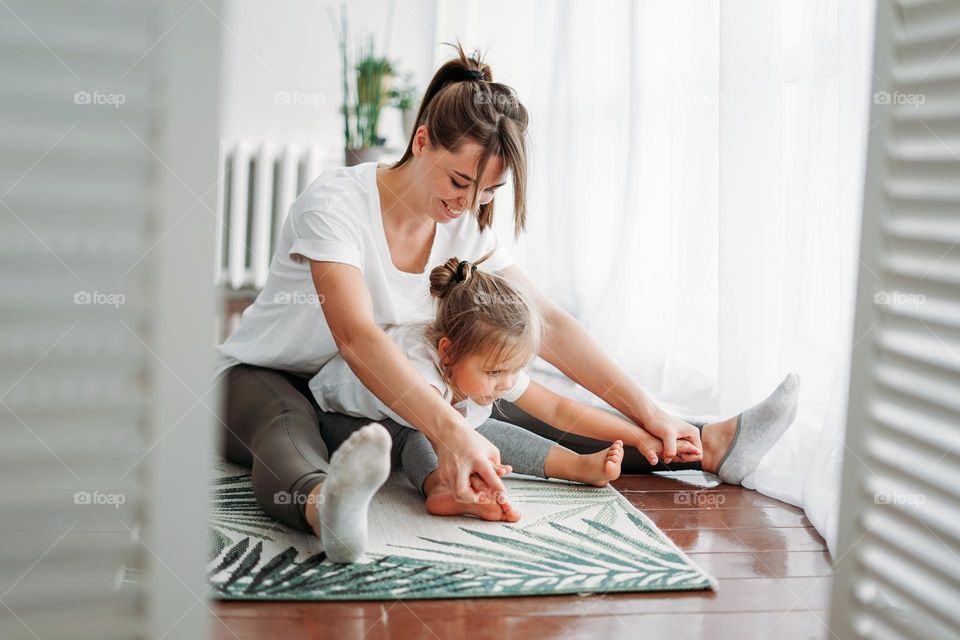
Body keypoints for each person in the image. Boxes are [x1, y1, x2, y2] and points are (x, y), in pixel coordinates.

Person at [217, 45, 799, 563]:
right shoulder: (336, 202)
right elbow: (356, 337)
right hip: (273, 376)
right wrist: (450, 433)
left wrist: (652, 412)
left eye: (489, 191)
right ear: (421, 142)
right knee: (286, 427)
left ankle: (707, 445)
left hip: (377, 392)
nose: (468, 203)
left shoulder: (466, 226)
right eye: (458, 181)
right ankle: (327, 510)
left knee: (510, 402)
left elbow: (545, 323)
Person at [310, 254, 703, 523]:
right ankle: (441, 489)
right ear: (447, 351)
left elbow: (559, 410)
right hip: (341, 423)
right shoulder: (418, 366)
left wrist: (640, 435)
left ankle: (577, 467)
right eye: (496, 372)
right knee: (422, 434)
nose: (505, 384)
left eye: (513, 371)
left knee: (487, 427)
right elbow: (440, 431)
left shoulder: (490, 363)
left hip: (422, 423)